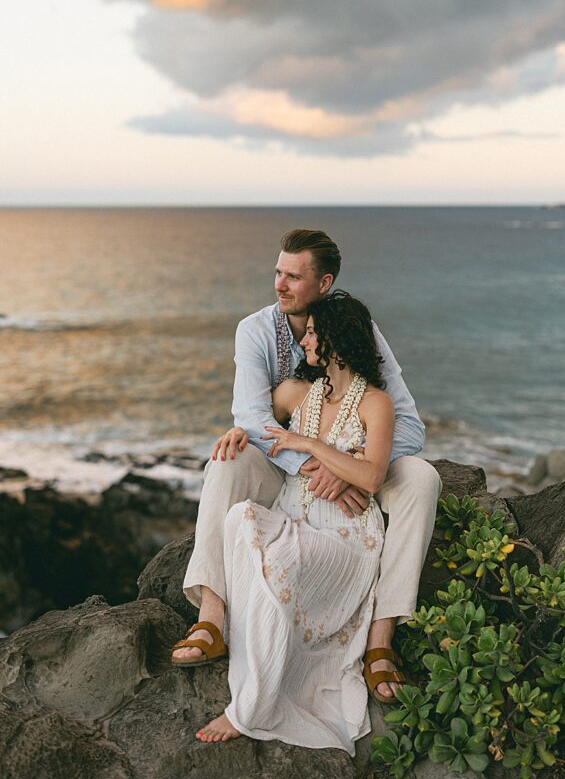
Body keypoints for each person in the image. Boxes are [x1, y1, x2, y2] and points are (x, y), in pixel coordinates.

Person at [173, 229, 441, 708]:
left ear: (324, 282)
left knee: (423, 477)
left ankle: (382, 638)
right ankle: (212, 618)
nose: (279, 284)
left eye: (293, 276)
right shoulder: (254, 330)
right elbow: (253, 416)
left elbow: (410, 427)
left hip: (357, 465)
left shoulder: (356, 330)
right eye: (278, 272)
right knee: (226, 463)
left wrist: (350, 465)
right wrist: (317, 467)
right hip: (285, 463)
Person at [191, 291, 394, 748]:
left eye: (313, 335)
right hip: (293, 518)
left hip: (346, 538)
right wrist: (239, 431)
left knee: (279, 563)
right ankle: (222, 623)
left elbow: (373, 476)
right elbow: (259, 426)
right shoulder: (295, 393)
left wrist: (313, 447)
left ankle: (250, 707)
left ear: (335, 342)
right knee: (240, 519)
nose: (304, 342)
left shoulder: (375, 404)